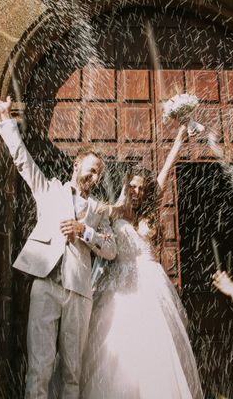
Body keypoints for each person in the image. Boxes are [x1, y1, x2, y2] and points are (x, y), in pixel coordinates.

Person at [0, 92, 117, 399]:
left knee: (72, 372)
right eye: (92, 169)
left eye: (99, 174)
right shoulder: (49, 191)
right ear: (76, 164)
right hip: (46, 285)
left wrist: (86, 232)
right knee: (40, 367)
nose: (95, 177)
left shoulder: (99, 211)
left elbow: (111, 251)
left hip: (79, 293)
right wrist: (6, 118)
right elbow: (23, 162)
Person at [81, 123, 203, 399]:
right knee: (119, 342)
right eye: (132, 186)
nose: (137, 191)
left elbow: (164, 174)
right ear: (126, 187)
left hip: (150, 282)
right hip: (121, 285)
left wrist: (179, 140)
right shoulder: (115, 212)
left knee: (156, 344)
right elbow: (91, 211)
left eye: (141, 188)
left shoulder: (149, 208)